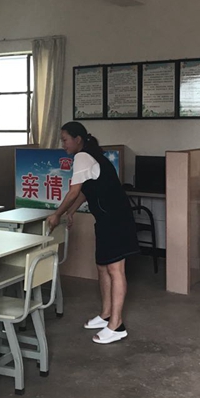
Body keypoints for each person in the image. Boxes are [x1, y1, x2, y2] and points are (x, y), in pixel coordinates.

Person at [46, 121, 139, 344]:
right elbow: (85, 191)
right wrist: (71, 212)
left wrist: (57, 214)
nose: (63, 144)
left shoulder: (83, 156)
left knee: (115, 269)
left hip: (116, 219)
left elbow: (74, 191)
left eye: (65, 140)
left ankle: (117, 325)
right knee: (103, 266)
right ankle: (106, 314)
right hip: (107, 219)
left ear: (77, 139)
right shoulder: (89, 155)